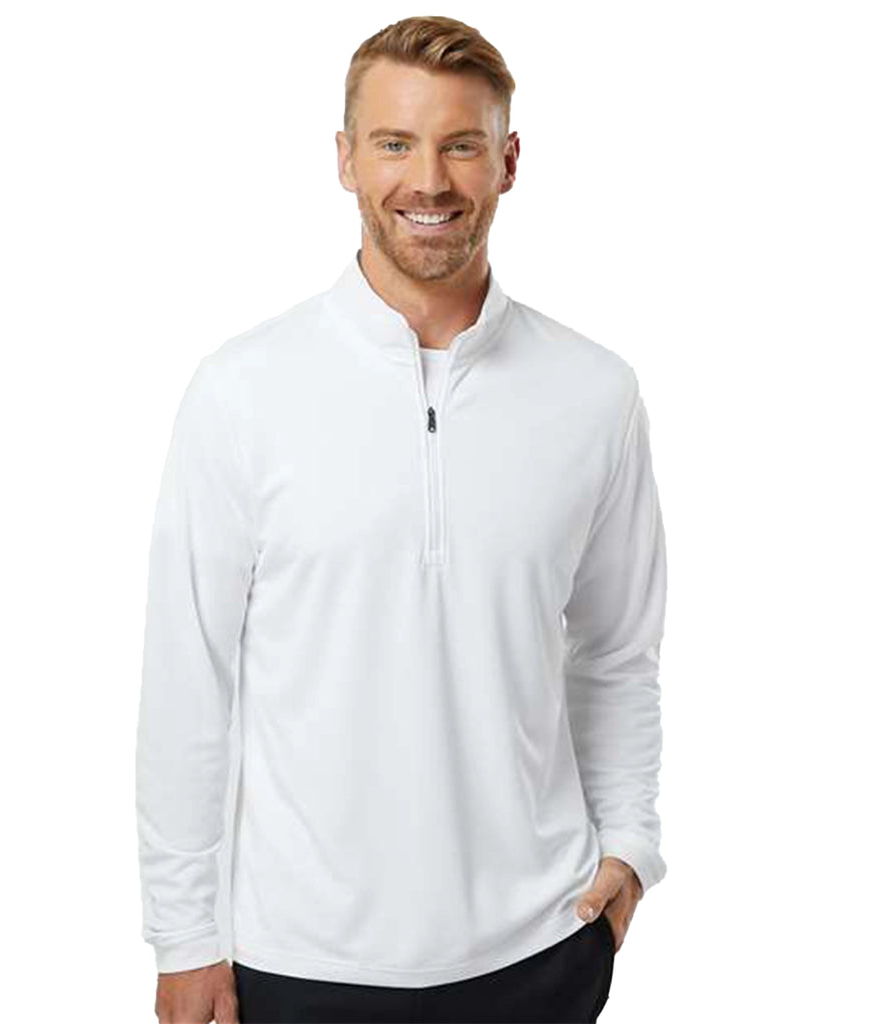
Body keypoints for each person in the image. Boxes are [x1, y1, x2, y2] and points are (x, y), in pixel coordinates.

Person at [136, 14, 668, 1024]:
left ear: (508, 161)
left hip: (541, 948)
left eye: (460, 144)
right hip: (296, 962)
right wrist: (185, 937)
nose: (428, 180)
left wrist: (630, 849)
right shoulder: (242, 391)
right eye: (394, 143)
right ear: (345, 159)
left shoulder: (595, 394)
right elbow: (187, 680)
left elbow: (616, 653)